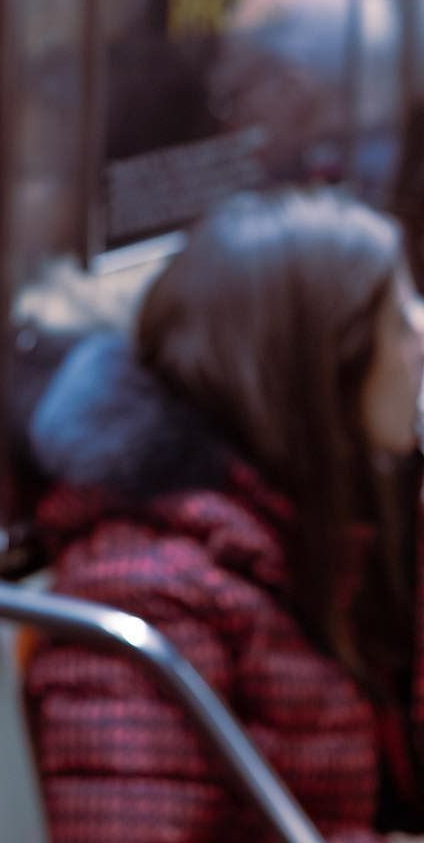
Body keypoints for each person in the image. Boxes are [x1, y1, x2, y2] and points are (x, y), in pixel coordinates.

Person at [24, 190, 424, 843]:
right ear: (326, 368)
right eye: (401, 318)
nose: (422, 336)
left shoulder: (341, 513)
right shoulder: (147, 591)